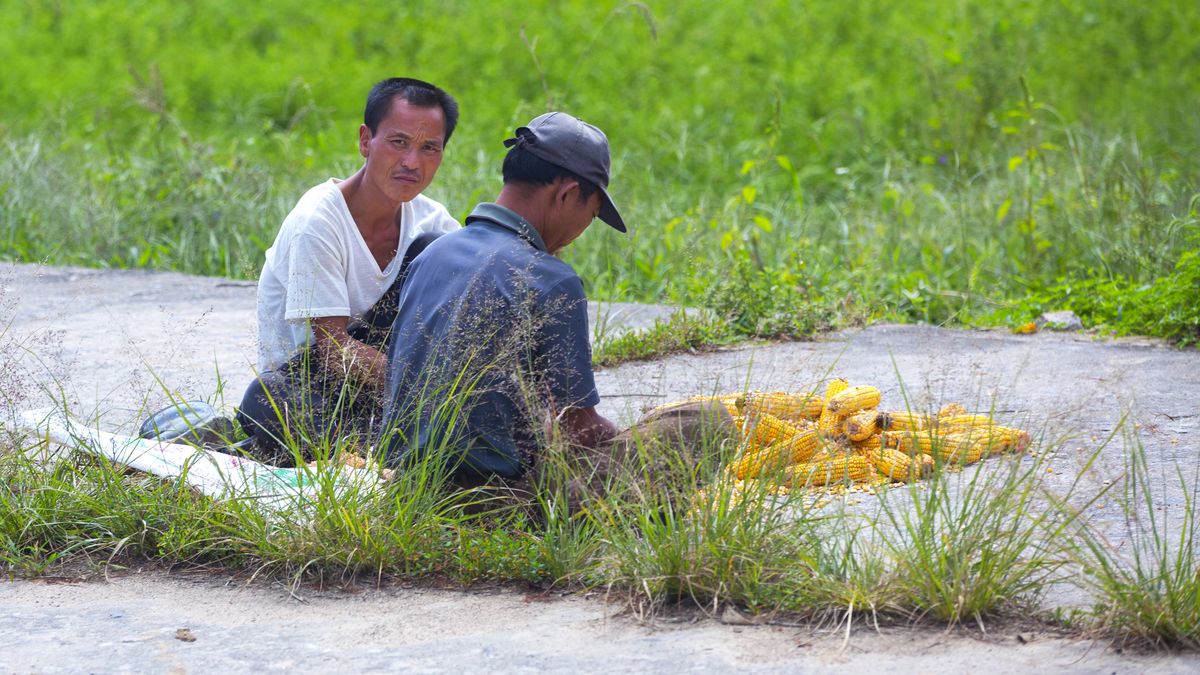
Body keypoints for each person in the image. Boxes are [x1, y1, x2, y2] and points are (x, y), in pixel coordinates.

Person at [379, 112, 736, 510]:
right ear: (567, 195)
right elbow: (578, 430)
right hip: (494, 504)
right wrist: (622, 432)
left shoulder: (431, 252)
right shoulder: (548, 278)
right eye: (591, 213)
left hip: (407, 490)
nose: (583, 228)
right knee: (706, 423)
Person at [237, 77, 461, 463]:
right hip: (312, 386)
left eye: (429, 148)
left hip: (387, 387)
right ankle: (384, 445)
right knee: (266, 399)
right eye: (398, 142)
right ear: (364, 141)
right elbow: (332, 348)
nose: (412, 162)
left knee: (441, 252)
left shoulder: (431, 220)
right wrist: (423, 391)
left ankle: (383, 443)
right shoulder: (317, 221)